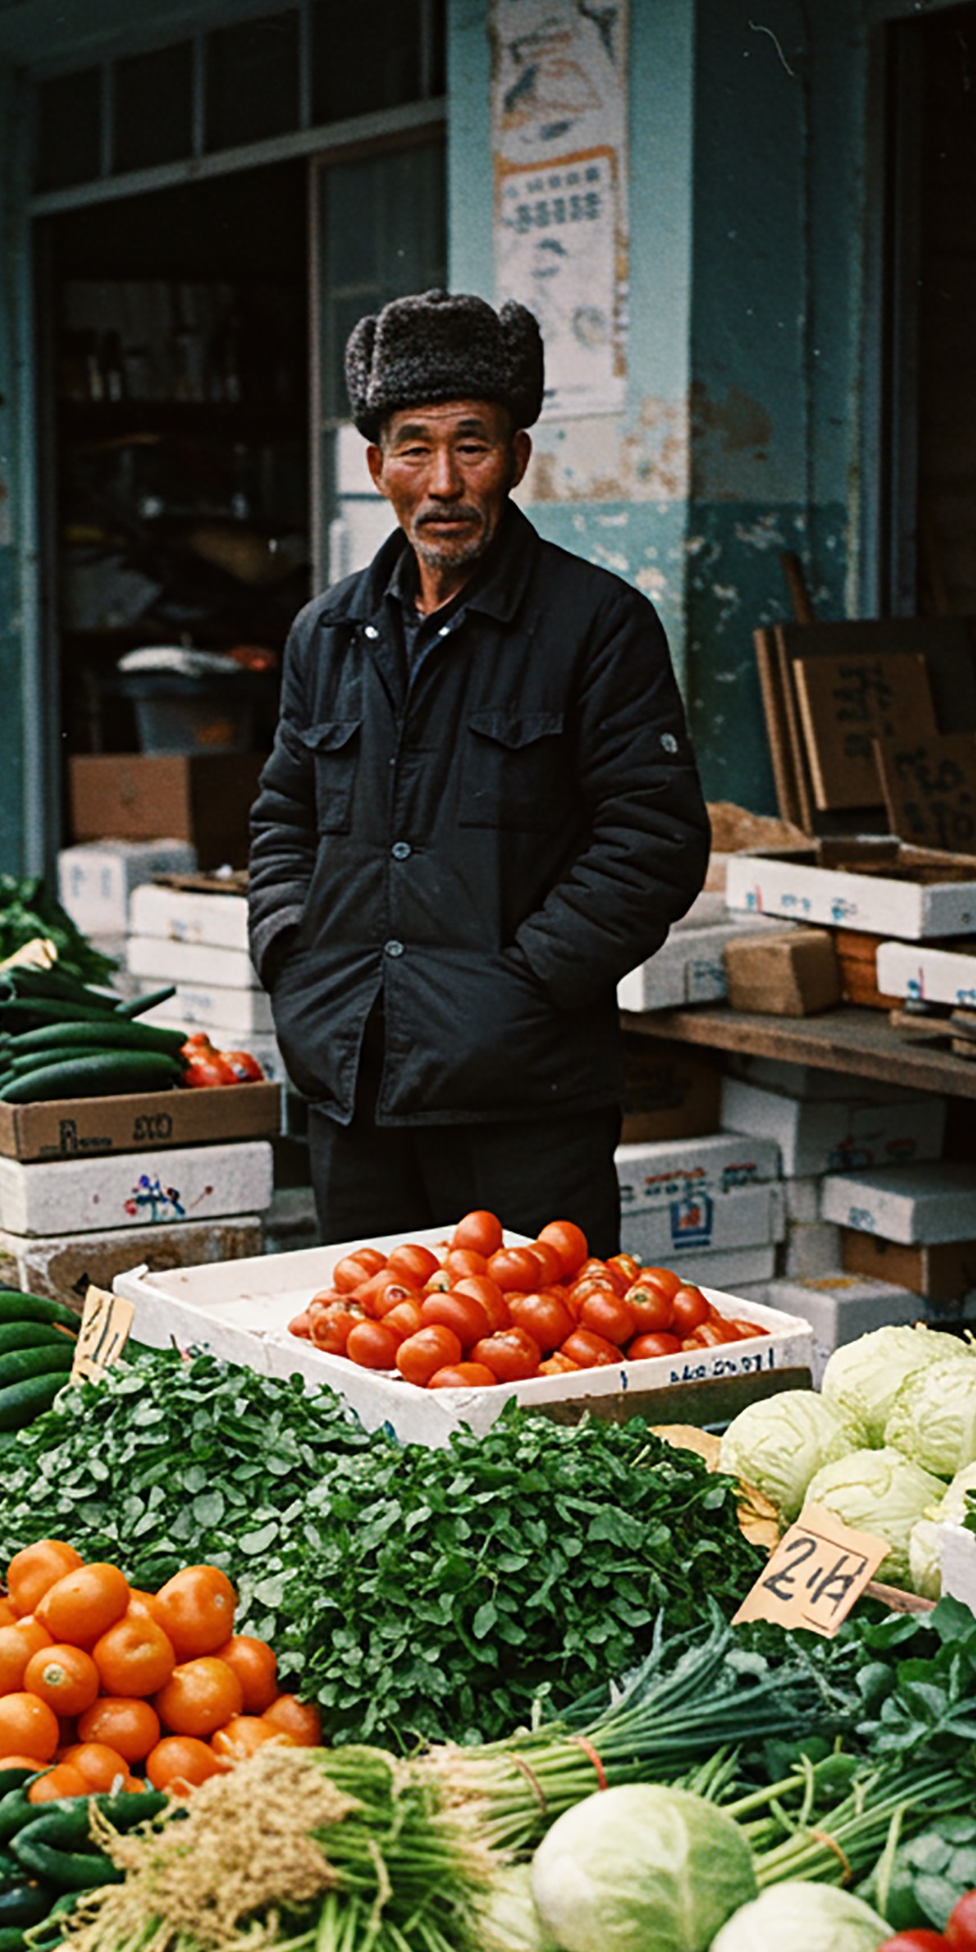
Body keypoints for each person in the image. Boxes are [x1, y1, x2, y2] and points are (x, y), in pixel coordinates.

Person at [246, 289, 710, 1254]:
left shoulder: (596, 624)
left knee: (534, 1378)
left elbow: (653, 839)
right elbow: (282, 817)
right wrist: (293, 955)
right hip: (355, 1086)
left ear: (518, 460)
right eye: (414, 447)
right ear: (377, 467)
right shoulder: (324, 633)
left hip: (524, 1102)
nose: (444, 481)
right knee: (361, 1368)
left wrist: (524, 988)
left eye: (473, 444)